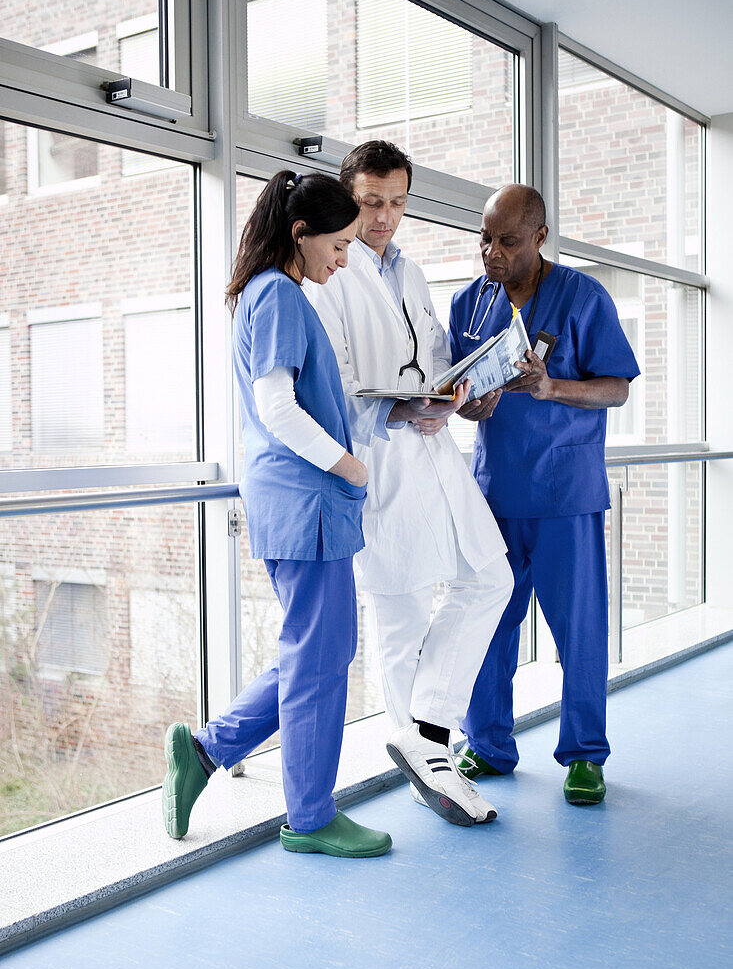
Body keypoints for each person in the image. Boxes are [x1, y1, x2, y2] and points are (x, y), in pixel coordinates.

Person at [162, 170, 392, 858]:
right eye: (340, 244)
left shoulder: (274, 294)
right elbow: (277, 408)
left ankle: (206, 749)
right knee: (319, 658)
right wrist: (350, 467)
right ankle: (311, 817)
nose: (344, 258)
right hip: (306, 502)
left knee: (316, 651)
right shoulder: (278, 296)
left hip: (303, 503)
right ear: (301, 233)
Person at [305, 141, 513, 828]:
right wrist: (388, 408)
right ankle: (433, 766)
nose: (385, 216)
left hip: (433, 447)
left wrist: (464, 388)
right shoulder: (327, 276)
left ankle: (423, 735)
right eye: (371, 202)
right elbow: (328, 382)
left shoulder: (413, 273)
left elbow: (429, 355)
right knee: (398, 615)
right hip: (377, 456)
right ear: (348, 197)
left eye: (396, 202)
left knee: (489, 576)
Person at [449, 184, 641, 805]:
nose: (491, 253)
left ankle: (585, 755)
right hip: (496, 493)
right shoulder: (468, 305)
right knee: (489, 627)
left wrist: (551, 388)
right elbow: (465, 402)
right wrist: (472, 406)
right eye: (484, 239)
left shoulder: (584, 298)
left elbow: (617, 388)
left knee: (578, 630)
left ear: (538, 237)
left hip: (566, 494)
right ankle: (489, 744)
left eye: (506, 241)